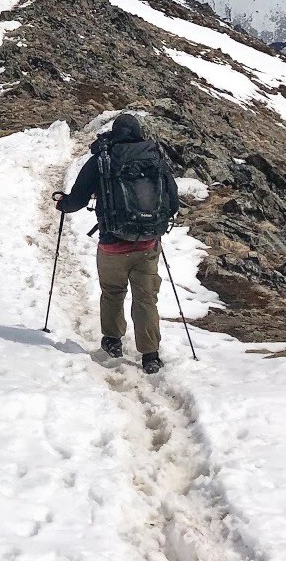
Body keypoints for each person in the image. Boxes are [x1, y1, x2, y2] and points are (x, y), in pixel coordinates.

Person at [55, 113, 179, 374]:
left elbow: (76, 200)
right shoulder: (154, 158)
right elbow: (173, 200)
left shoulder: (102, 159)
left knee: (113, 292)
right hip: (147, 245)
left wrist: (62, 204)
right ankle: (150, 356)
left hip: (112, 243)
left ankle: (112, 341)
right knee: (146, 299)